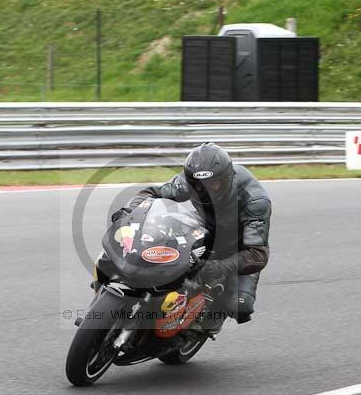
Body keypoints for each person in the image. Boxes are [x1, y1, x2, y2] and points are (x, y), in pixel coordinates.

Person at [111, 142, 272, 333]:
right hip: (204, 225)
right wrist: (129, 212)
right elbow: (153, 193)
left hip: (239, 247)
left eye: (213, 183)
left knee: (239, 306)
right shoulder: (190, 180)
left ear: (227, 178)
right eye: (198, 185)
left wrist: (220, 267)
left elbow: (258, 253)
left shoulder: (255, 200)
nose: (206, 190)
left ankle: (203, 322)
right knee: (158, 236)